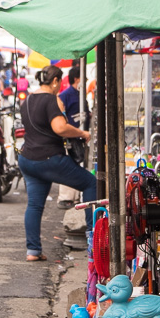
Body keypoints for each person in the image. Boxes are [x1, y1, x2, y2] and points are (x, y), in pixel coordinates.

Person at [17, 65, 97, 262]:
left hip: (27, 159)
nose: (59, 87)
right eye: (58, 83)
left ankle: (33, 251)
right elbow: (60, 128)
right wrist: (82, 133)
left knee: (34, 206)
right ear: (54, 82)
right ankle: (92, 239)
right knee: (90, 183)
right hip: (49, 159)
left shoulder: (27, 100)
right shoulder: (51, 100)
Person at [57, 65, 90, 210]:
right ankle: (66, 198)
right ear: (77, 79)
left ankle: (75, 196)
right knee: (69, 166)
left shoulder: (80, 94)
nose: (86, 80)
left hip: (81, 136)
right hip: (70, 137)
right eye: (84, 78)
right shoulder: (65, 95)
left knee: (78, 165)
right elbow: (60, 115)